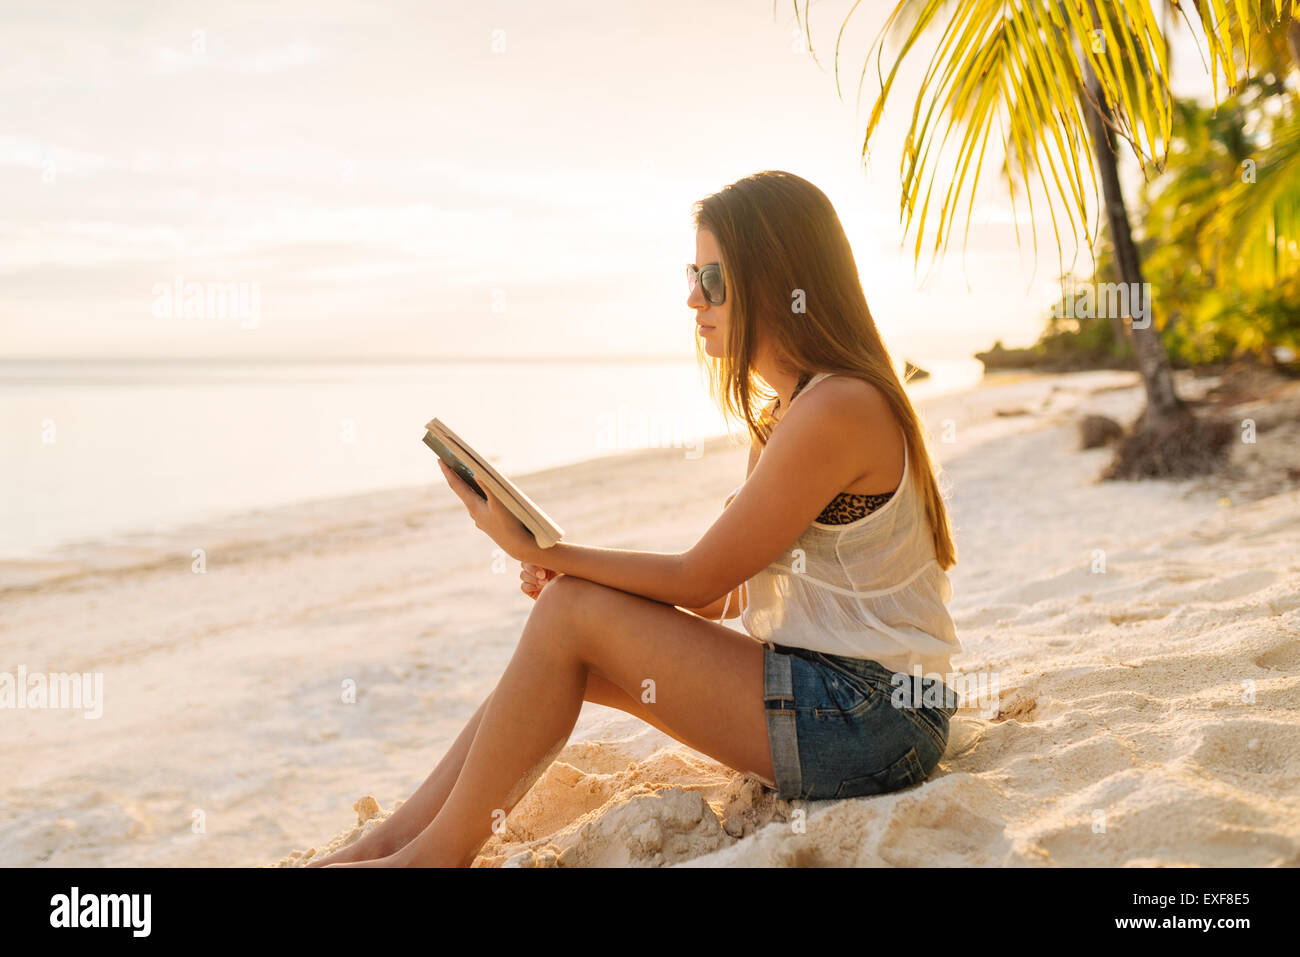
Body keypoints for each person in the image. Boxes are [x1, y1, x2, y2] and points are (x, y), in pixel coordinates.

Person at [315, 169, 961, 868]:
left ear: (776, 281)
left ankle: (425, 858)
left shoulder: (837, 408)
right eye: (693, 274)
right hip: (851, 703)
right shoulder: (791, 412)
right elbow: (720, 596)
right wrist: (574, 580)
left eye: (714, 280)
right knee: (561, 653)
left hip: (876, 718)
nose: (693, 298)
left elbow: (697, 577)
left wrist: (543, 550)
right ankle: (394, 841)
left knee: (568, 615)